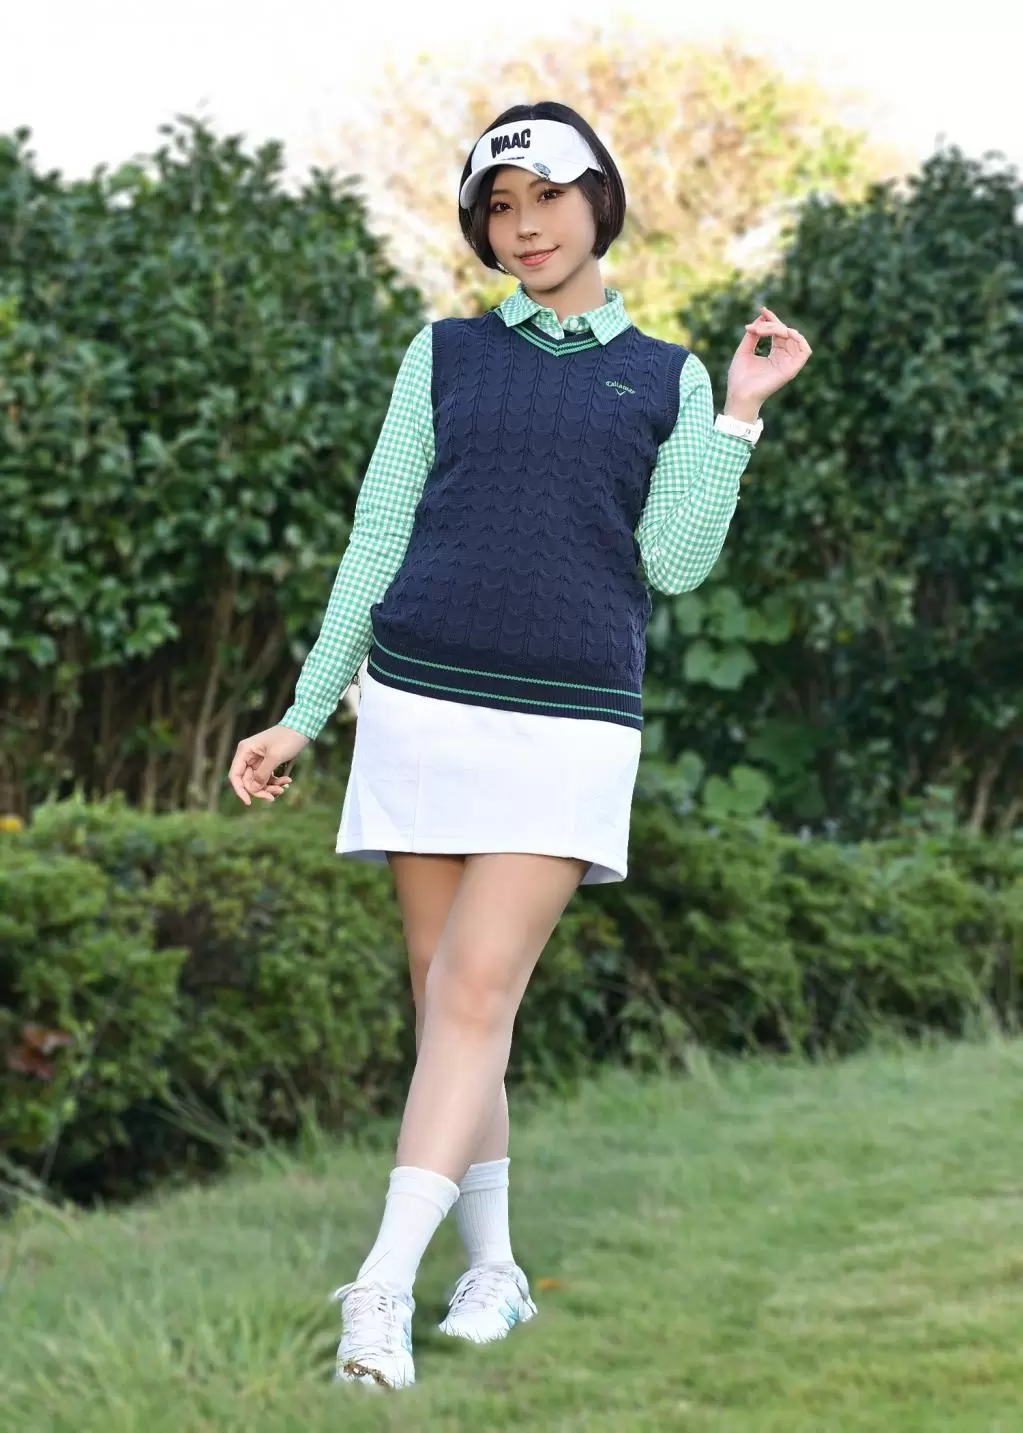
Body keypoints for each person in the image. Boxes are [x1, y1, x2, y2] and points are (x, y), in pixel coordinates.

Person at [228, 100, 811, 1390]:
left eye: (547, 198)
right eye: (501, 207)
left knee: (476, 995)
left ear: (598, 203)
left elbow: (676, 562)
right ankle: (493, 1269)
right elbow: (378, 539)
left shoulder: (667, 376)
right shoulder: (442, 355)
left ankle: (381, 1291)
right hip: (419, 706)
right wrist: (305, 712)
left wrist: (739, 414)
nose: (526, 226)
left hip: (568, 725)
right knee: (447, 1002)